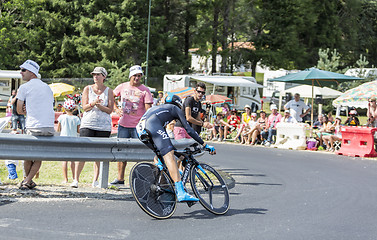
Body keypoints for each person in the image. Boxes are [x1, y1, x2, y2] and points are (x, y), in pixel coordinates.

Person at [136, 93, 216, 202]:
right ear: (179, 105)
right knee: (169, 155)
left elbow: (161, 137)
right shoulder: (174, 109)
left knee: (164, 153)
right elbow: (189, 129)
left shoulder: (159, 109)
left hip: (140, 130)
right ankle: (181, 192)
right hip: (152, 125)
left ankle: (162, 177)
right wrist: (204, 144)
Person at [111, 65, 153, 185]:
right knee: (121, 151)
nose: (137, 78)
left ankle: (141, 178)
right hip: (123, 124)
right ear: (130, 76)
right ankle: (120, 178)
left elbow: (148, 109)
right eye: (135, 75)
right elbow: (111, 96)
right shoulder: (122, 86)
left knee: (139, 153)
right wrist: (115, 108)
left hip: (138, 127)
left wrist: (146, 124)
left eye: (139, 76)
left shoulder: (145, 90)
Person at [16, 60, 55, 190]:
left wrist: (26, 110)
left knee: (27, 156)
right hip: (49, 127)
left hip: (34, 125)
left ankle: (27, 180)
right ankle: (29, 181)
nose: (21, 73)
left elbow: (19, 110)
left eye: (23, 70)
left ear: (31, 72)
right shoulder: (47, 87)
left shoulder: (24, 87)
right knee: (38, 156)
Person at [76, 67, 114, 188]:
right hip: (88, 124)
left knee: (99, 154)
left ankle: (96, 180)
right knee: (82, 152)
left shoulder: (109, 91)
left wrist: (100, 105)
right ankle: (76, 179)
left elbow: (110, 110)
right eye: (94, 75)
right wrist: (93, 103)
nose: (95, 77)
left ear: (104, 77)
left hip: (103, 126)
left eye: (98, 75)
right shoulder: (87, 88)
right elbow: (84, 107)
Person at [57, 99, 81, 186]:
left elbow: (58, 129)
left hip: (63, 139)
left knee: (64, 160)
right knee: (73, 161)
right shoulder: (76, 118)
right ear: (74, 108)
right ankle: (74, 178)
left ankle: (65, 179)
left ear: (64, 108)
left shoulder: (61, 117)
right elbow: (78, 131)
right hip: (73, 139)